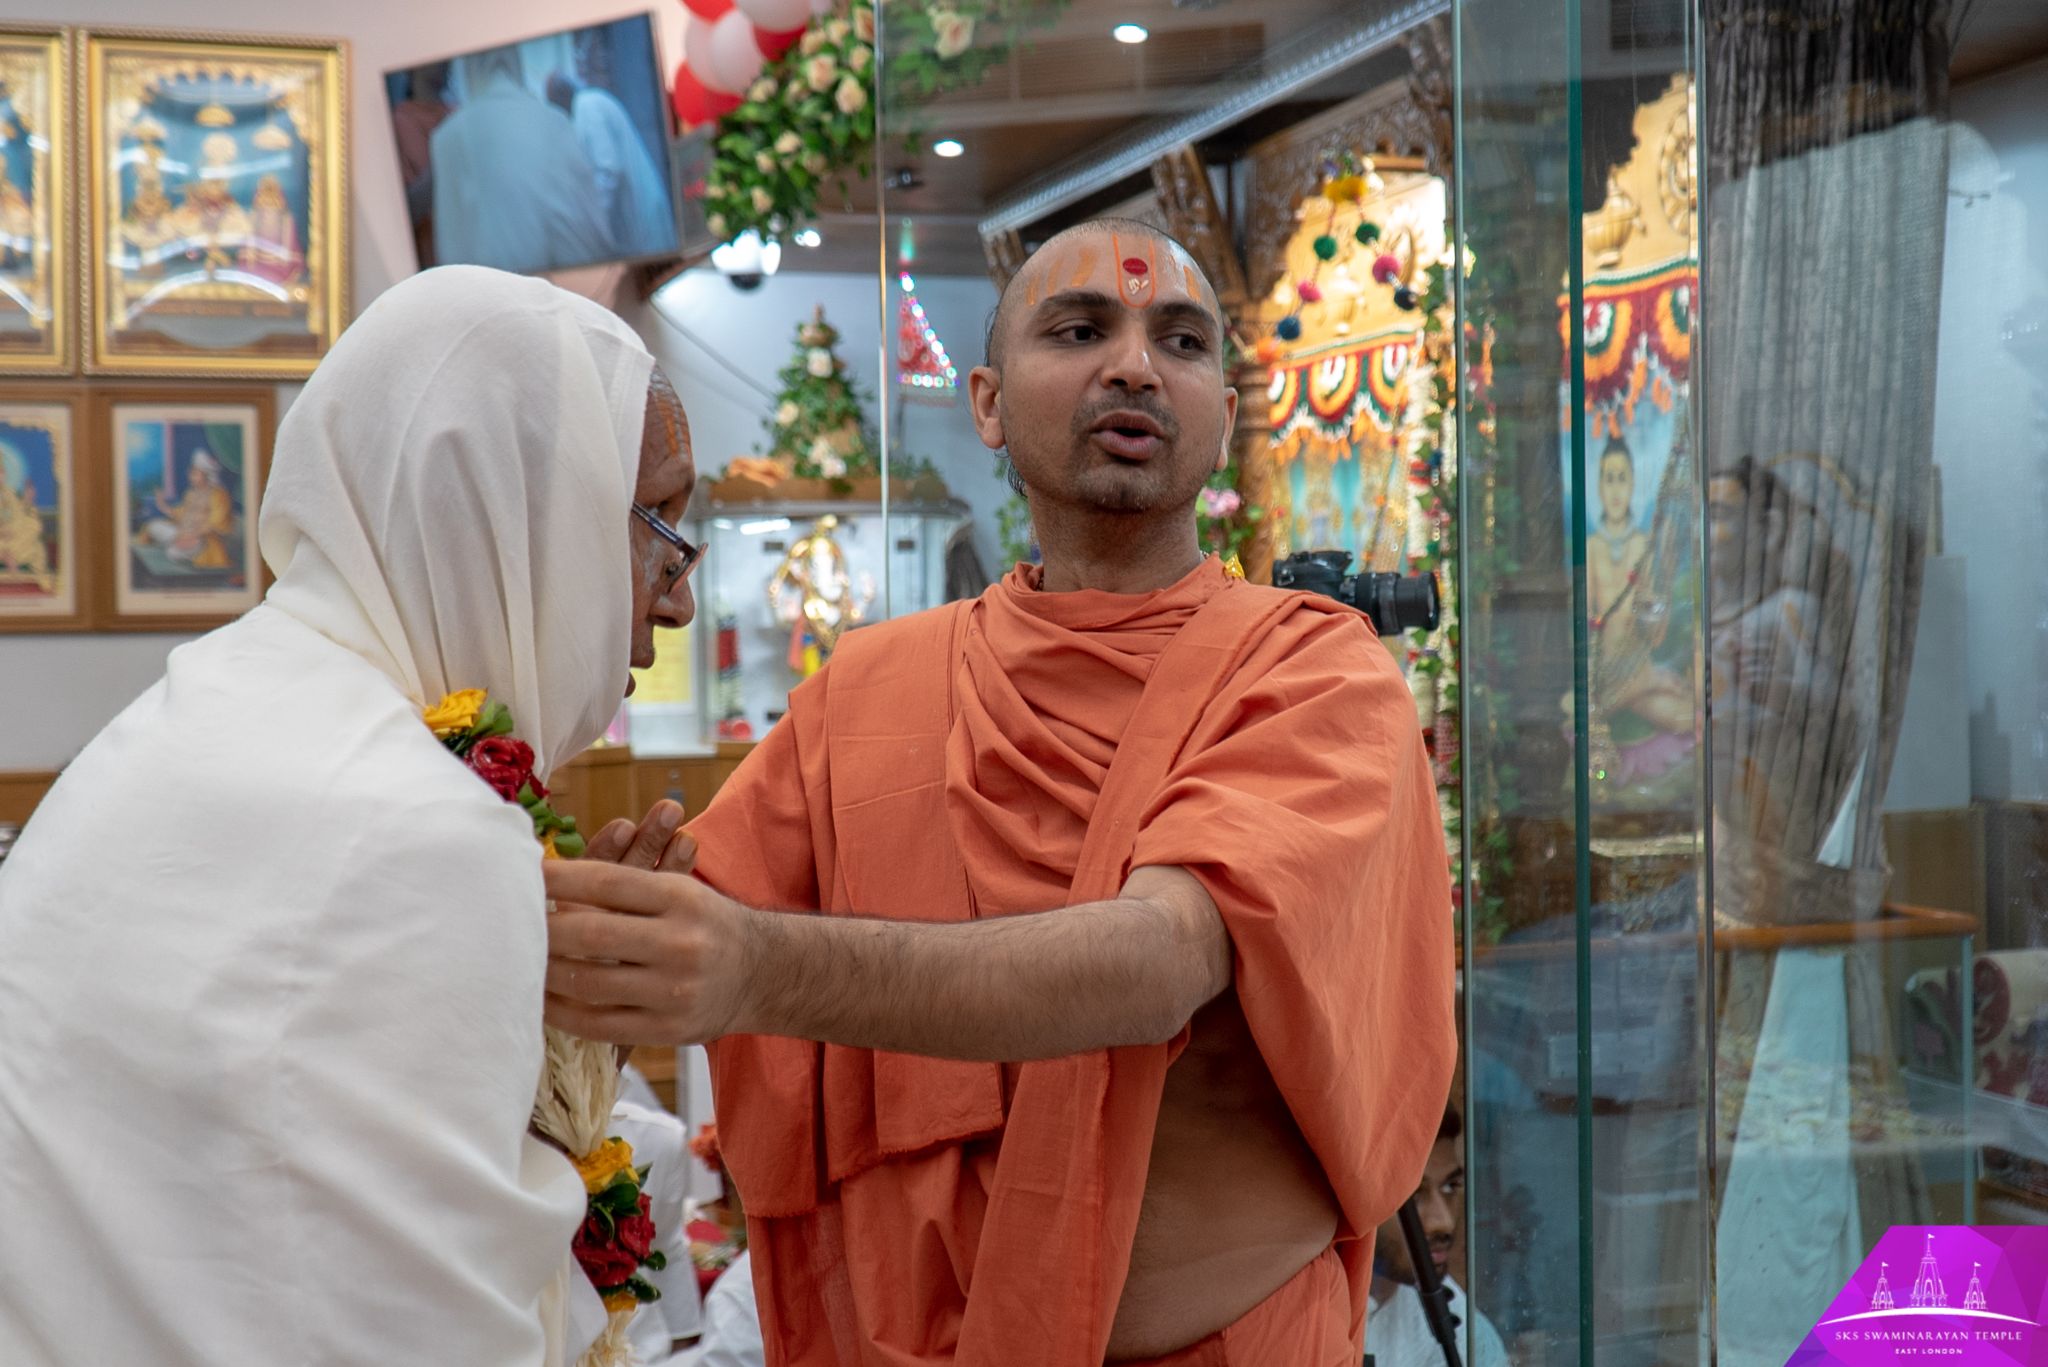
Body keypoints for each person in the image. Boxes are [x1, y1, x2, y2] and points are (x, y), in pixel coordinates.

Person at [542, 218, 1458, 1365]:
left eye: (1178, 341)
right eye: (1078, 329)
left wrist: (754, 966)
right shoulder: (867, 690)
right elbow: (660, 924)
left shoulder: (1310, 671)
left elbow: (1154, 962)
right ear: (983, 403)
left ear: (1222, 412)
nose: (1131, 363)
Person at [0, 266, 698, 1366]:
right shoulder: (416, 826)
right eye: (661, 521)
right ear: (518, 504)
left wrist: (573, 1034)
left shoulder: (215, 697)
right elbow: (440, 1326)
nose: (678, 592)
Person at [428, 46, 614, 275]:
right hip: (568, 286)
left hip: (494, 294)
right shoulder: (556, 121)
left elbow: (453, 249)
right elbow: (591, 235)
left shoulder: (448, 136)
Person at [1365, 1106, 1508, 1367]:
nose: (1443, 1222)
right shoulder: (1299, 1317)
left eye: (1450, 1187)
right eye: (1413, 1195)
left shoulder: (1461, 1326)